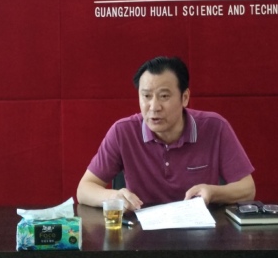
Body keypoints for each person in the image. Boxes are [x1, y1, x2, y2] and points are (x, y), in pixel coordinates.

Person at [77, 56, 255, 211]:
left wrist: (213, 192)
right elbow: (84, 189)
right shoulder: (122, 132)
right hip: (140, 233)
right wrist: (112, 196)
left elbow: (247, 189)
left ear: (185, 98)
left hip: (200, 232)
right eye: (146, 96)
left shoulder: (215, 127)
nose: (154, 107)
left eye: (164, 96)